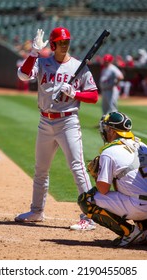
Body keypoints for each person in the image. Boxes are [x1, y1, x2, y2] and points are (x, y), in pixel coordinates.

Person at [15, 27, 99, 230]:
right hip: (45, 122)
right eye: (60, 42)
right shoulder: (43, 62)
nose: (64, 46)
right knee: (40, 170)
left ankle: (89, 217)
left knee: (78, 168)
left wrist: (75, 94)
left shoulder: (79, 67)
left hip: (68, 122)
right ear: (52, 45)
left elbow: (94, 96)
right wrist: (34, 53)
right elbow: (24, 75)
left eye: (66, 42)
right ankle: (37, 211)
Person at [78, 111, 147, 247]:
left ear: (112, 131)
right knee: (132, 187)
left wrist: (97, 176)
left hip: (138, 207)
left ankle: (130, 233)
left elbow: (103, 190)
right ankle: (145, 229)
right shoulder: (142, 146)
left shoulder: (109, 152)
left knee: (86, 200)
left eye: (106, 128)